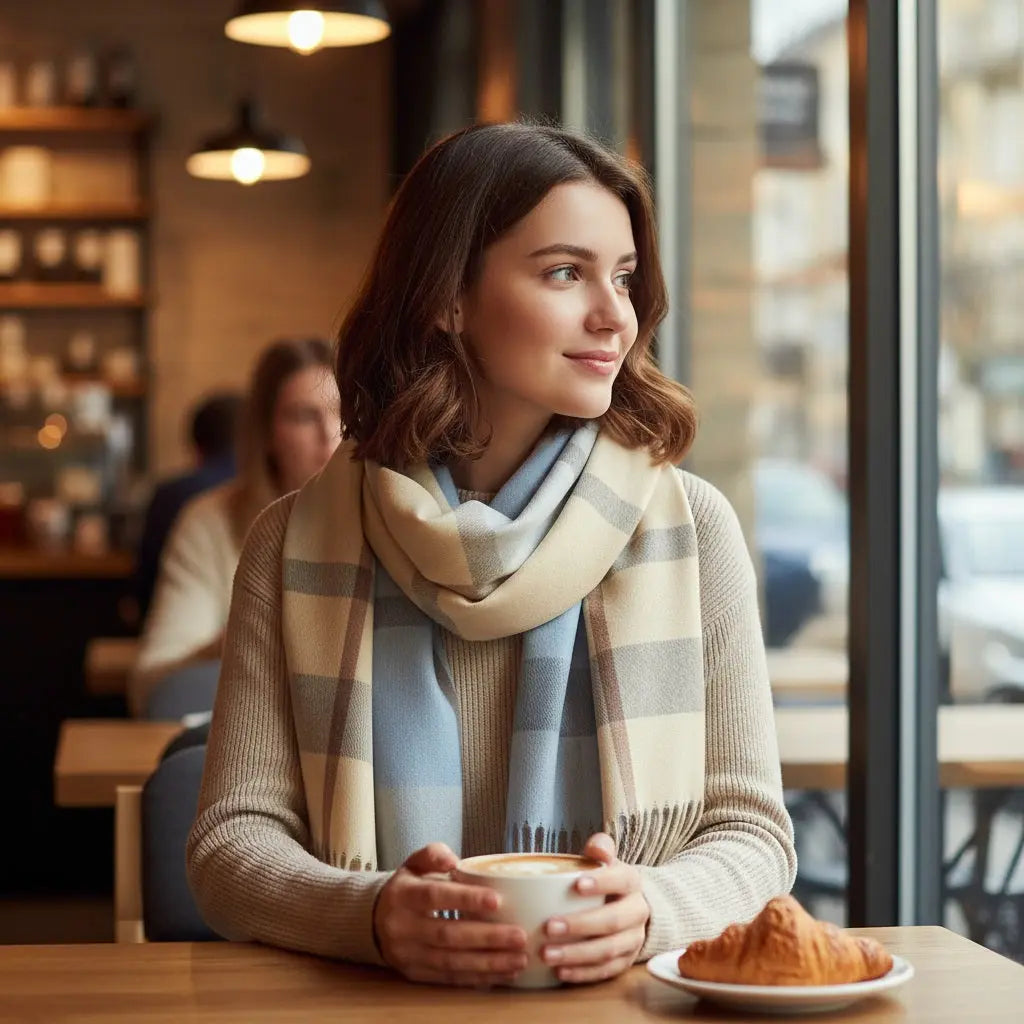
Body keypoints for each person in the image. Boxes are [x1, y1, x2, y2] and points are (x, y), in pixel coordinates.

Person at [187, 122, 796, 987]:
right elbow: (228, 845)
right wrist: (370, 916)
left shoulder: (694, 531)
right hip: (379, 1008)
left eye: (622, 276)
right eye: (563, 272)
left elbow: (755, 836)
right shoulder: (294, 543)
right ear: (447, 297)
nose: (613, 315)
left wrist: (651, 907)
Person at [128, 338, 340, 716]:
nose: (330, 435)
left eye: (343, 413)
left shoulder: (394, 513)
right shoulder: (211, 520)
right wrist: (239, 641)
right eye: (304, 417)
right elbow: (152, 689)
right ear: (267, 435)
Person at [134, 391, 242, 620]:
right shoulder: (270, 495)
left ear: (196, 447)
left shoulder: (168, 495)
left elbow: (145, 584)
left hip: (172, 626)